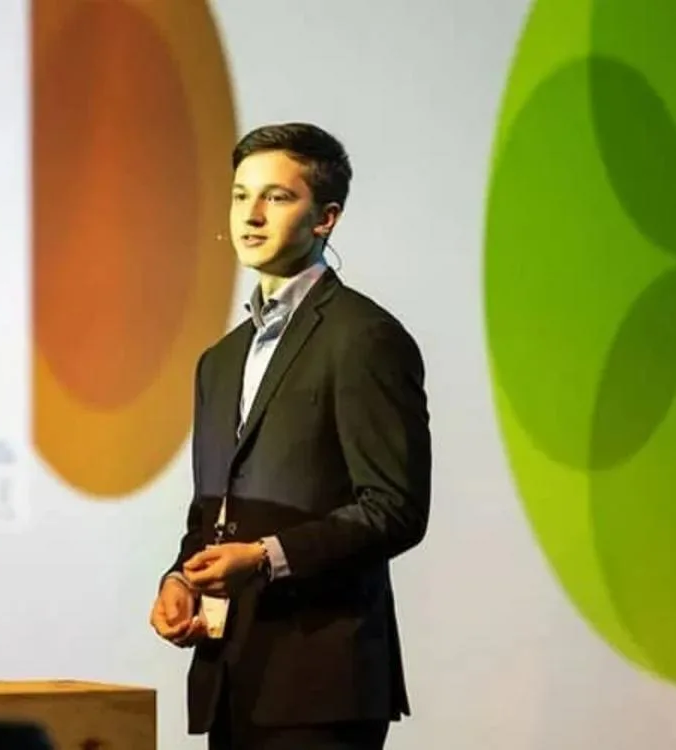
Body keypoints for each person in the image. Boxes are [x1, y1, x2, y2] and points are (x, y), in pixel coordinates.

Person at [149, 123, 431, 750]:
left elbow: (395, 509)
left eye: (276, 197)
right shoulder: (220, 360)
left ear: (325, 218)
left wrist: (264, 558)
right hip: (231, 673)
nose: (250, 215)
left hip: (322, 680)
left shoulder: (364, 338)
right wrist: (181, 579)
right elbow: (212, 511)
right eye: (240, 195)